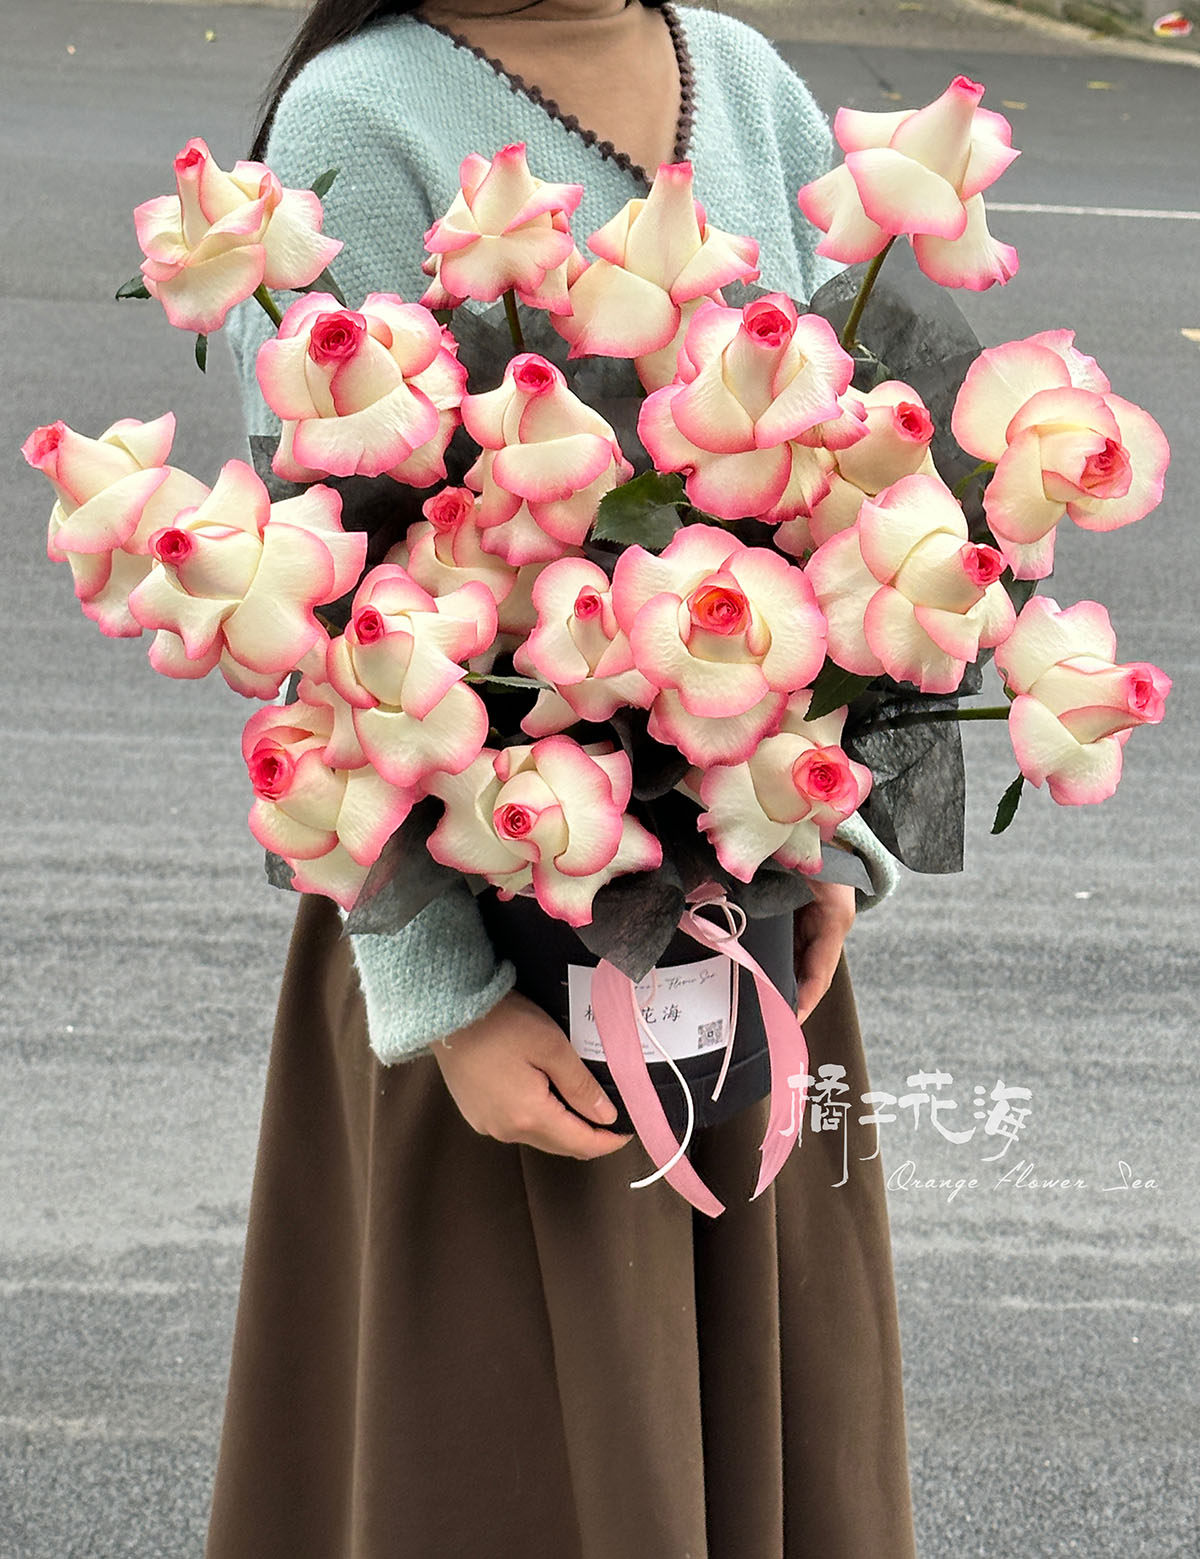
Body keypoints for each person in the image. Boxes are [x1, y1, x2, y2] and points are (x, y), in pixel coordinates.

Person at [207, 4, 919, 1556]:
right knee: (503, 1465)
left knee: (762, 1434)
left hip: (742, 927)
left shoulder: (741, 78)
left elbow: (874, 488)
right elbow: (310, 602)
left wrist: (828, 834)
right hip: (488, 954)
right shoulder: (359, 115)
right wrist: (445, 1000)